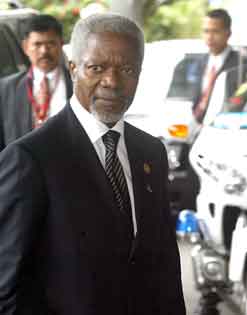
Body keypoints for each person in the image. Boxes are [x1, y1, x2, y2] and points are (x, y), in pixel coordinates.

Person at [0, 13, 186, 315]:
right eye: (96, 68)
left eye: (126, 69)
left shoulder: (151, 152)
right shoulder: (31, 159)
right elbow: (6, 286)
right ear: (73, 69)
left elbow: (164, 262)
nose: (112, 82)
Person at [0, 14, 72, 152]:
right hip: (22, 170)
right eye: (37, 44)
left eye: (50, 43)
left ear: (61, 44)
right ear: (26, 47)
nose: (44, 51)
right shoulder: (6, 89)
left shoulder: (78, 85)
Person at [192, 8, 244, 124]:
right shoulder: (201, 61)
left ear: (228, 33)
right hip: (196, 124)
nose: (209, 37)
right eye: (206, 31)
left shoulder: (241, 64)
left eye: (215, 31)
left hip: (224, 125)